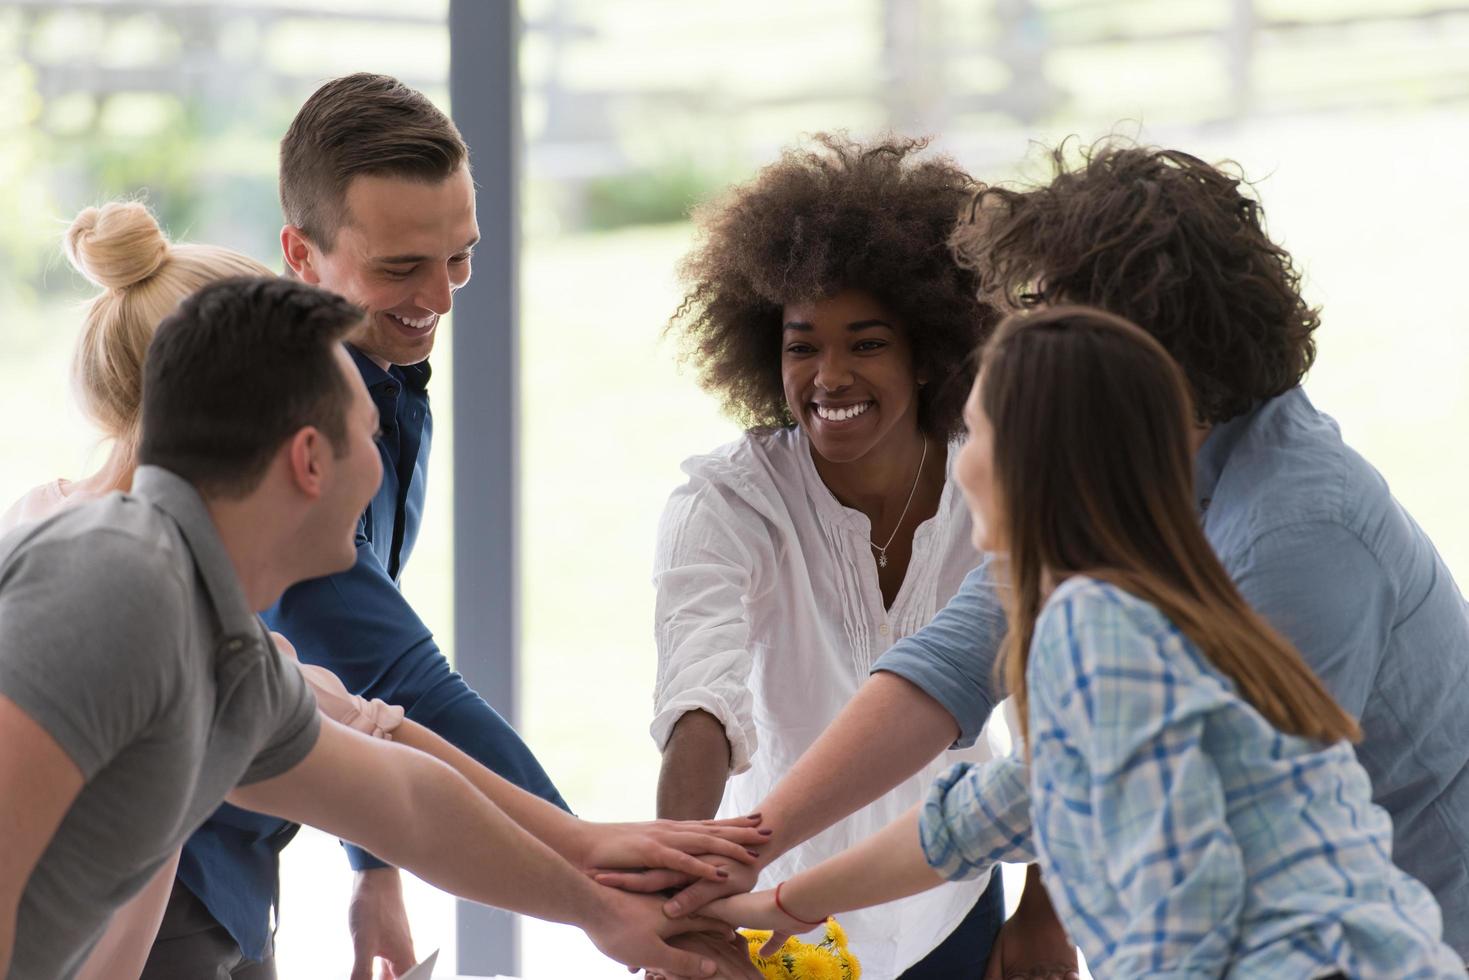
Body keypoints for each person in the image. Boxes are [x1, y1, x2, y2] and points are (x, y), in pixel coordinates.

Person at [661, 142, 1469, 972]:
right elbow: (991, 734)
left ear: (1122, 371)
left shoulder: (1289, 539)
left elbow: (1183, 858)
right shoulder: (1121, 501)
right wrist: (762, 868)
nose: (962, 444)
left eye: (987, 419)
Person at [1, 201, 771, 980]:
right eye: (368, 433)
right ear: (308, 460)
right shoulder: (111, 585)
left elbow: (404, 801)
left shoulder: (221, 651)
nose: (382, 467)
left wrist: (598, 900)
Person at [158, 73, 567, 979]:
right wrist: (619, 873)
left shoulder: (378, 375)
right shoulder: (285, 432)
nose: (443, 298)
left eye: (459, 256)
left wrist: (373, 869)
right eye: (400, 268)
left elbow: (348, 653)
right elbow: (404, 684)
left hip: (236, 856)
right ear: (300, 256)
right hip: (175, 869)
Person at [642, 134, 1004, 978]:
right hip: (775, 913)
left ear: (929, 351)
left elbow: (1071, 724)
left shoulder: (997, 482)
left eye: (866, 343)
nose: (828, 376)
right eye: (802, 345)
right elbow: (699, 700)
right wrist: (681, 902)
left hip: (951, 899)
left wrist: (1046, 921)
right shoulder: (727, 503)